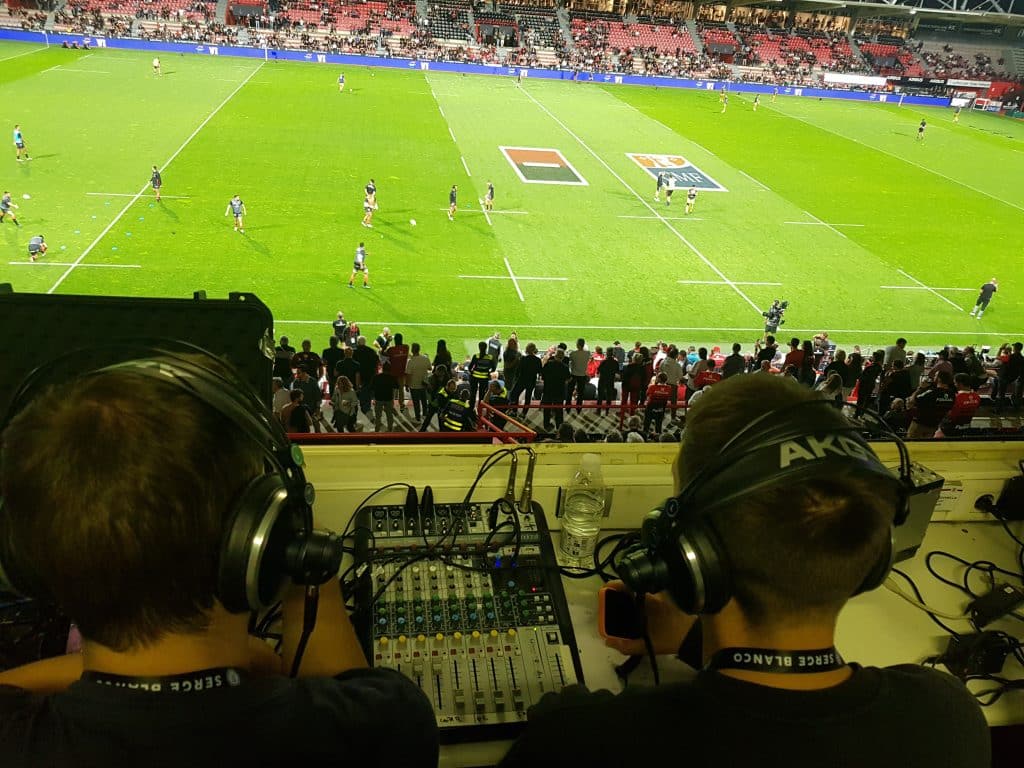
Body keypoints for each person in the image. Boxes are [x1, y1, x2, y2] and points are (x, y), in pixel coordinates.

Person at [499, 374, 989, 768]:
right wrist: (694, 642)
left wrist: (560, 724)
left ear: (689, 556)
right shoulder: (948, 714)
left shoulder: (581, 745)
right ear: (875, 555)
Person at [0, 352, 438, 766]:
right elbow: (347, 689)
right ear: (263, 544)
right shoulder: (385, 725)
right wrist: (303, 570)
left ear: (23, 560)